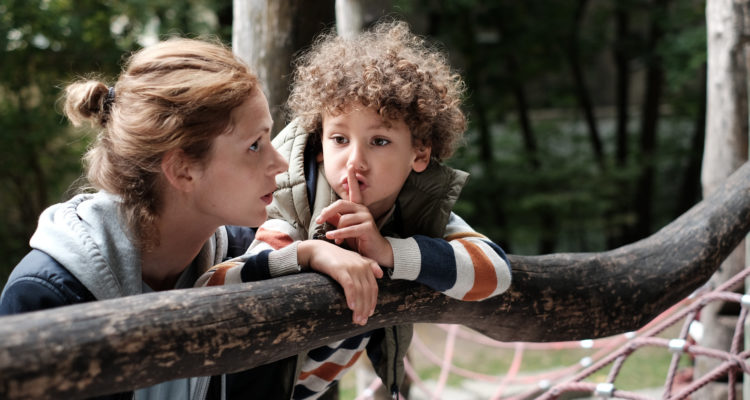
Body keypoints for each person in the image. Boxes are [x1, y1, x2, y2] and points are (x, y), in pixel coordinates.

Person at [197, 21, 512, 399]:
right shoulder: (296, 206)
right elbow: (211, 287)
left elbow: (496, 273)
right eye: (340, 139)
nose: (355, 161)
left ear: (420, 153)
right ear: (320, 146)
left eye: (379, 141)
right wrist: (308, 253)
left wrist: (389, 251)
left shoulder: (416, 209)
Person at [0, 37, 289, 399]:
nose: (281, 163)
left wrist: (312, 257)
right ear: (183, 169)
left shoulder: (250, 263)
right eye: (254, 145)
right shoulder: (46, 296)